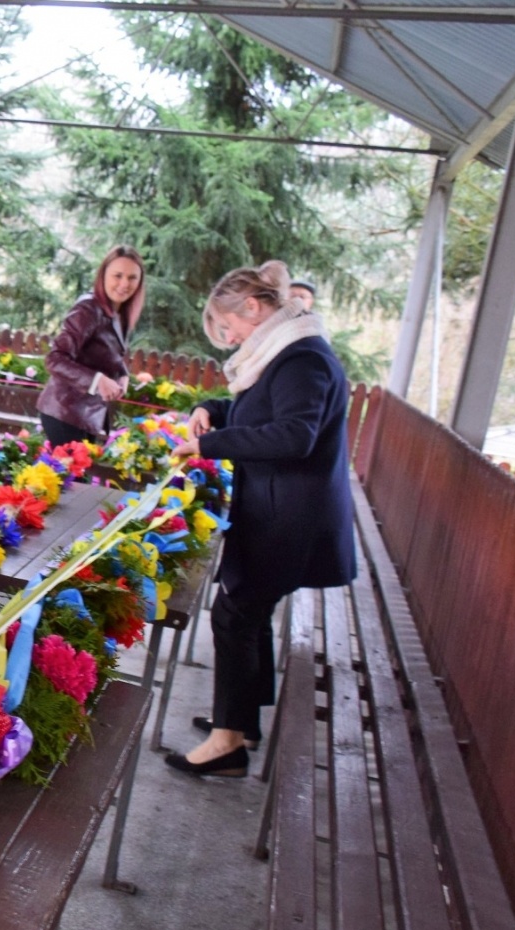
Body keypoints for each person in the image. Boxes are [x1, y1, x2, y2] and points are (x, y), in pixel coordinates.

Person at [167, 260, 355, 777]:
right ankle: (242, 722)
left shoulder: (301, 358)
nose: (230, 339)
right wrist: (211, 408)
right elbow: (259, 414)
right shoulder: (284, 350)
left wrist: (208, 443)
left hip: (290, 516)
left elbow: (294, 436)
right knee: (245, 611)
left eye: (230, 327)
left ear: (254, 307)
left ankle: (229, 743)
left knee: (235, 614)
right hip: (277, 507)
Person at [37, 246, 146, 446]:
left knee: (79, 478)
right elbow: (55, 358)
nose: (124, 284)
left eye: (132, 278)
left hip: (87, 416)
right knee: (70, 478)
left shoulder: (119, 311)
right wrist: (97, 381)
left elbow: (109, 351)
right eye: (118, 276)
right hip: (65, 413)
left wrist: (122, 374)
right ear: (103, 275)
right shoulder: (87, 309)